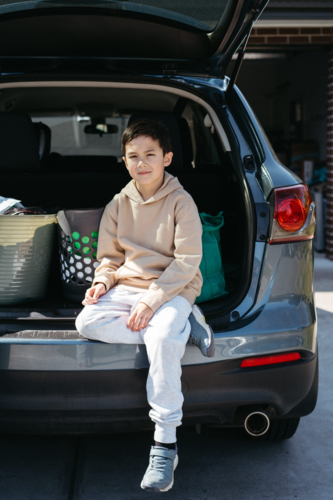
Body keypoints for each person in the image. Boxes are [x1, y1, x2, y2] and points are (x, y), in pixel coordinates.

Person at [75, 118, 215, 492]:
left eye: (150, 154)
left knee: (163, 336)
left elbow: (187, 262)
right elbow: (109, 257)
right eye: (133, 156)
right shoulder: (119, 203)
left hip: (174, 287)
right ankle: (181, 329)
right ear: (124, 160)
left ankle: (165, 443)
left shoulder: (181, 202)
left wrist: (154, 302)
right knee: (86, 323)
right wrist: (102, 282)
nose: (141, 163)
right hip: (128, 285)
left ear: (167, 158)